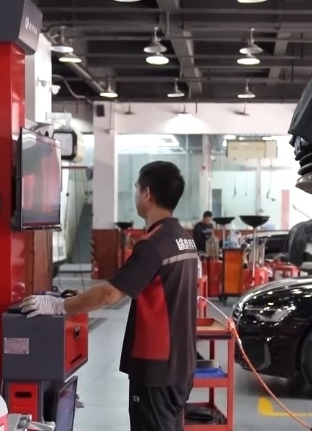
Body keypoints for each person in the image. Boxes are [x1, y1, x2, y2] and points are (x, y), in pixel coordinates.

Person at [19, 161, 198, 431]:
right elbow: (139, 287)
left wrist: (60, 305)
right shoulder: (183, 238)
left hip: (155, 369)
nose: (136, 194)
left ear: (147, 193)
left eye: (137, 188)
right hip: (181, 365)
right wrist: (83, 297)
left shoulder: (153, 244)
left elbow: (110, 294)